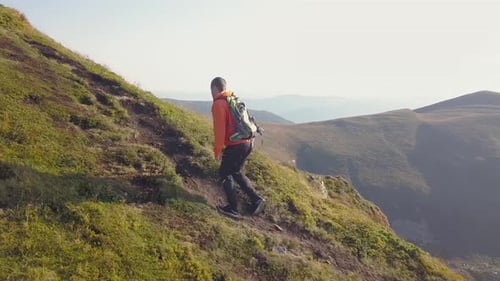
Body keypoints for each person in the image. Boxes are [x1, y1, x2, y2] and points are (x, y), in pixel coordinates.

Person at [210, 77, 265, 218]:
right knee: (236, 172)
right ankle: (257, 200)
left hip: (236, 144)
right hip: (248, 141)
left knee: (224, 172)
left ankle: (233, 209)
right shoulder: (234, 99)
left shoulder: (219, 103)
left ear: (215, 88)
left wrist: (217, 150)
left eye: (211, 90)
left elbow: (219, 130)